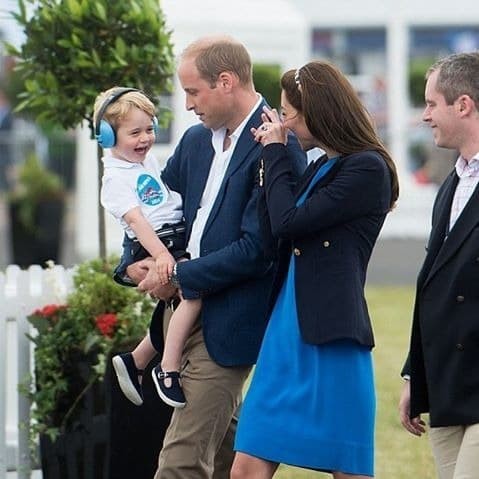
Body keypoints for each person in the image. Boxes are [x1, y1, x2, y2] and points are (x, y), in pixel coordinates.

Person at [136, 35, 306, 478]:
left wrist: (180, 275)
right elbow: (158, 209)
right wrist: (136, 259)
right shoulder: (194, 142)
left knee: (180, 462)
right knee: (234, 455)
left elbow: (259, 250)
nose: (188, 104)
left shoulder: (278, 145)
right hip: (178, 317)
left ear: (226, 81)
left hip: (228, 325)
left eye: (193, 91)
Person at [230, 60, 399, 479]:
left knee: (346, 468)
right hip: (285, 331)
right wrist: (269, 163)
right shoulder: (319, 166)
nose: (283, 122)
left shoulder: (366, 168)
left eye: (288, 113)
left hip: (330, 334)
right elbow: (274, 232)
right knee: (246, 467)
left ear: (316, 113)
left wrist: (275, 151)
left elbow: (290, 221)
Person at [93, 87, 201, 409]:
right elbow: (139, 223)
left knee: (179, 302)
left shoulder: (143, 162)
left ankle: (137, 359)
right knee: (195, 293)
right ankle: (167, 369)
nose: (145, 139)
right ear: (108, 137)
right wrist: (162, 255)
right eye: (135, 132)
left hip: (171, 238)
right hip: (157, 243)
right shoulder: (114, 179)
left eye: (150, 129)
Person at [399, 52, 479, 479]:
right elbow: (432, 283)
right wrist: (415, 373)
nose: (425, 115)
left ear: (462, 105)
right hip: (448, 385)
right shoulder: (453, 182)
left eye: (432, 104)